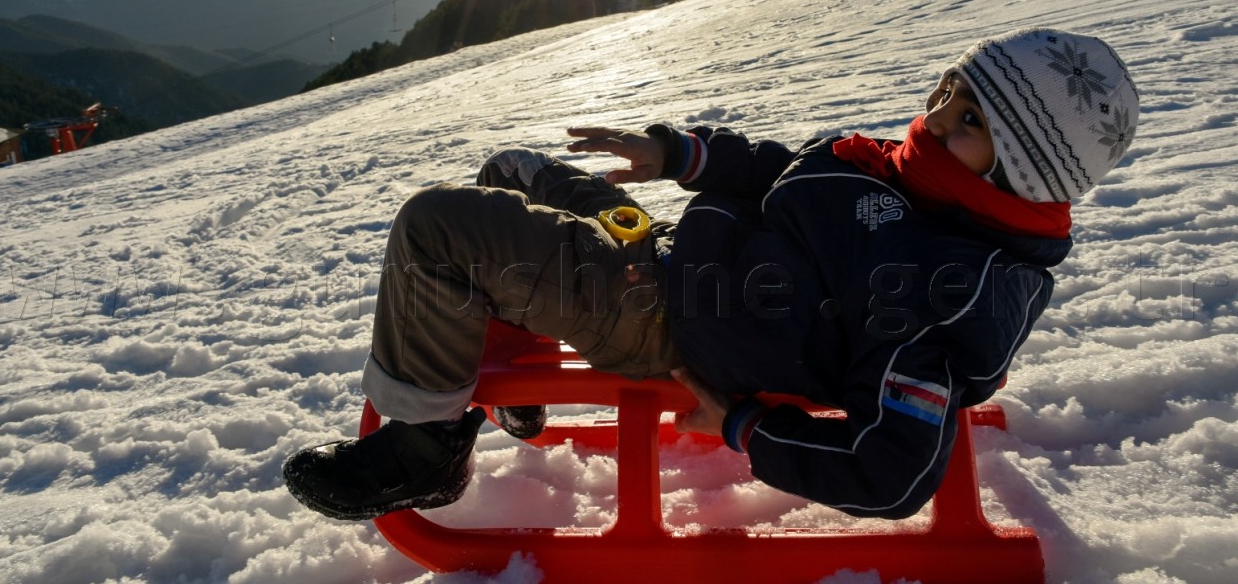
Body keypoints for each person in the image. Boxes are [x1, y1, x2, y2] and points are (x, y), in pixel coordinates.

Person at [284, 27, 1139, 521]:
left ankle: (424, 452)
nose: (937, 115)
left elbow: (893, 470)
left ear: (1020, 174)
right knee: (510, 169)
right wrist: (679, 154)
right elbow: (791, 172)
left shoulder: (940, 287)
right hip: (665, 257)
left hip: (661, 320)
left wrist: (744, 426)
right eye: (950, 88)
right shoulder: (914, 176)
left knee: (435, 227)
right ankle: (517, 380)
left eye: (970, 117)